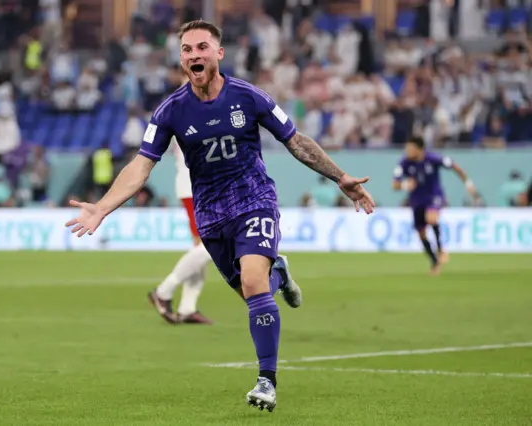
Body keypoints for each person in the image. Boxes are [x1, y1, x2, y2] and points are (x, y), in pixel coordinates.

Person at [65, 20, 375, 413]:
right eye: (186, 50)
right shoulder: (170, 111)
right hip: (211, 215)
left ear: (218, 53)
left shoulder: (249, 96)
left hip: (254, 200)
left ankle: (267, 381)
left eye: (201, 47)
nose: (194, 55)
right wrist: (103, 206)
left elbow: (295, 141)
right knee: (253, 290)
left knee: (252, 280)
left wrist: (340, 177)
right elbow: (141, 166)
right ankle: (280, 273)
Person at [147, 139, 214, 325]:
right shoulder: (188, 112)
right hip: (197, 186)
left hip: (201, 186)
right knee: (211, 246)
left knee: (202, 248)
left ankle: (187, 309)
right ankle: (163, 292)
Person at [393, 136, 476, 274]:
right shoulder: (404, 163)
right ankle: (434, 262)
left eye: (410, 148)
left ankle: (441, 249)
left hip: (434, 196)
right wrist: (405, 184)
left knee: (432, 218)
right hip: (416, 200)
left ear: (419, 149)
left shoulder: (433, 159)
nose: (407, 151)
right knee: (421, 234)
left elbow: (454, 165)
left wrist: (468, 183)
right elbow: (395, 185)